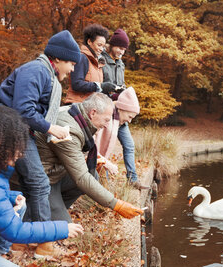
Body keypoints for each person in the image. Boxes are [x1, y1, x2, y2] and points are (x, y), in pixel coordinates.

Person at [0, 30, 81, 258]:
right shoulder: (36, 70)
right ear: (59, 58)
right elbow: (23, 110)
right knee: (40, 183)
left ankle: (19, 242)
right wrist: (51, 128)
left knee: (27, 184)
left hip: (18, 131)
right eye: (71, 63)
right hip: (11, 132)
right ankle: (44, 244)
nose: (72, 69)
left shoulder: (46, 74)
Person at [0, 105, 84, 267]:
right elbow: (16, 231)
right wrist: (61, 228)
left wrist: (9, 197)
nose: (20, 154)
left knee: (20, 205)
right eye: (16, 147)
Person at [35, 92, 143, 222]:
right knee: (64, 227)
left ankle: (53, 211)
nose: (107, 125)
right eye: (106, 120)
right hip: (43, 180)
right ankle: (44, 215)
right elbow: (81, 177)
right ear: (93, 113)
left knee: (93, 176)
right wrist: (116, 204)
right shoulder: (69, 129)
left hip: (55, 172)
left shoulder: (76, 115)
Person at [96, 28, 149, 190]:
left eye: (124, 49)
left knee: (129, 145)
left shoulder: (121, 64)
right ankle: (103, 182)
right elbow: (98, 85)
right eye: (119, 48)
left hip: (120, 111)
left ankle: (132, 179)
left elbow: (123, 86)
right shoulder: (101, 60)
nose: (121, 52)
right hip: (105, 111)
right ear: (112, 45)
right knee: (103, 147)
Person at [65, 23, 114, 104]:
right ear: (89, 41)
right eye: (99, 45)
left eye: (103, 46)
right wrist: (100, 86)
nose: (101, 49)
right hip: (77, 105)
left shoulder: (98, 62)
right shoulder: (82, 58)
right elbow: (76, 84)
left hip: (89, 106)